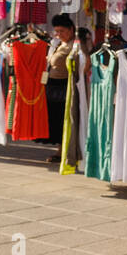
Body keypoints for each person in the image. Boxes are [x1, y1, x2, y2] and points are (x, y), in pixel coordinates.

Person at [43, 13, 75, 160]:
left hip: (64, 86)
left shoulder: (74, 45)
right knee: (57, 120)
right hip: (53, 86)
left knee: (64, 119)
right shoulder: (59, 44)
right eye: (57, 31)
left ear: (71, 30)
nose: (59, 34)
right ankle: (60, 150)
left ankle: (64, 151)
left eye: (62, 31)